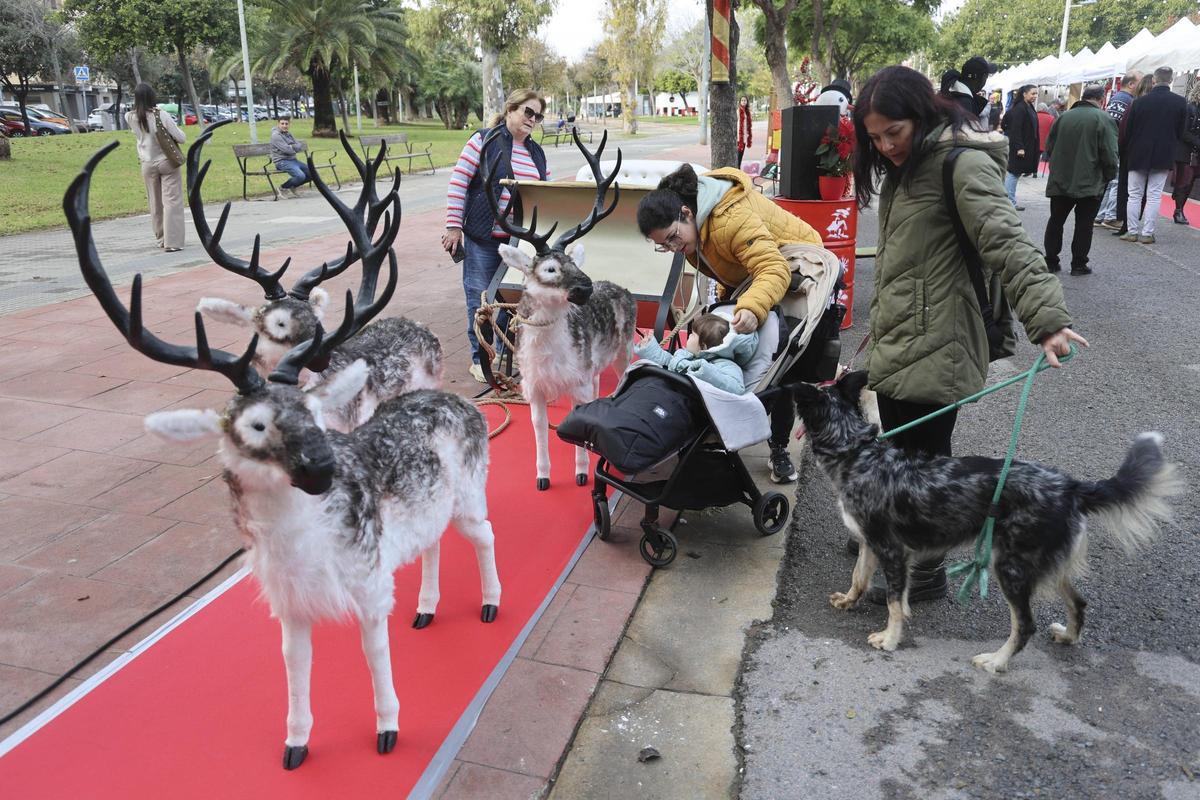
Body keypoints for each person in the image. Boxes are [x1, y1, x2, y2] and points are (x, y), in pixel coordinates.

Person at [850, 65, 1086, 603]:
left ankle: (923, 571)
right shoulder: (908, 166)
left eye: (895, 132)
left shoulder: (961, 163)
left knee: (924, 464)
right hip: (901, 336)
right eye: (876, 137)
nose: (886, 145)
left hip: (940, 340)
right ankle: (891, 540)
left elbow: (1007, 242)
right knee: (902, 459)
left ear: (922, 114)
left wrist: (1048, 322)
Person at [635, 163, 825, 484]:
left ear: (686, 212)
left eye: (672, 238)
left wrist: (751, 307)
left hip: (800, 269)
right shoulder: (692, 230)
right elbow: (729, 267)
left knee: (779, 366)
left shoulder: (728, 220)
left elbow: (773, 268)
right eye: (663, 246)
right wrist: (728, 304)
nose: (672, 248)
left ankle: (778, 447)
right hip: (759, 276)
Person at [442, 89, 549, 383]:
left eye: (538, 116)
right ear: (511, 109)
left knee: (510, 298)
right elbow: (459, 181)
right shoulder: (484, 140)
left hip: (518, 242)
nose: (533, 120)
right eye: (528, 112)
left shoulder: (536, 152)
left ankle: (501, 350)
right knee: (481, 299)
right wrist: (453, 226)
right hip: (484, 238)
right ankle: (480, 359)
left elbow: (545, 192)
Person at [1043, 85, 1119, 275]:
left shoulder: (1063, 118)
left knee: (1056, 221)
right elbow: (1109, 153)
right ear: (1101, 100)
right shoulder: (1103, 119)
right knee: (1084, 225)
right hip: (1090, 181)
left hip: (1061, 179)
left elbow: (1049, 147)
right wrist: (1109, 175)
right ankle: (1078, 264)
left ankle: (1051, 260)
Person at [1120, 67, 1189, 245]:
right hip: (1164, 154)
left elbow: (1128, 130)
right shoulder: (1181, 102)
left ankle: (1132, 231)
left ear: (1154, 81)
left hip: (1138, 153)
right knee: (1154, 195)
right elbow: (1181, 131)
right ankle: (1148, 233)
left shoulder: (1138, 102)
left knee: (1134, 194)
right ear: (1171, 80)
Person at [633, 313, 758, 395]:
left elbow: (736, 388)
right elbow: (669, 362)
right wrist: (650, 349)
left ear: (703, 346)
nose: (689, 336)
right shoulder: (689, 355)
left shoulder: (727, 365)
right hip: (666, 391)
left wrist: (706, 371)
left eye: (693, 334)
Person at [125, 83, 186, 252]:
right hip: (166, 161)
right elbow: (181, 138)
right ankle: (172, 242)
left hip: (147, 163)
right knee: (172, 201)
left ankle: (161, 238)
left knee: (155, 202)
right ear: (152, 97)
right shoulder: (161, 115)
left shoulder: (129, 117)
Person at [1094, 72, 1141, 229]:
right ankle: (1110, 215)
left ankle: (1101, 215)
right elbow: (1116, 126)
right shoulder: (1125, 100)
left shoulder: (1117, 98)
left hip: (1112, 145)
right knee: (1115, 182)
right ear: (1131, 84)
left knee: (1110, 182)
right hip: (1117, 147)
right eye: (1139, 82)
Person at [1001, 84, 1040, 210]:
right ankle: (1009, 202)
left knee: (1015, 173)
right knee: (1013, 173)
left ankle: (1009, 201)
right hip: (1020, 146)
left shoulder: (1028, 107)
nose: (1035, 96)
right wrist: (1019, 147)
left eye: (1036, 94)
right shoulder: (1020, 108)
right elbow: (1015, 129)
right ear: (1024, 94)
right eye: (1032, 93)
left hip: (1026, 145)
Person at [1169, 82, 1199, 226]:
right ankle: (1178, 210)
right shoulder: (1189, 108)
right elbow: (1183, 131)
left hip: (1196, 152)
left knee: (1189, 182)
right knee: (1185, 182)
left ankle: (1179, 208)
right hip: (1186, 151)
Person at [270, 115, 309, 198]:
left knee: (312, 173)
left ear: (289, 124)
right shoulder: (276, 135)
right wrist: (292, 147)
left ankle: (293, 186)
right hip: (281, 161)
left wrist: (292, 147)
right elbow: (287, 150)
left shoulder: (288, 134)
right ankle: (283, 188)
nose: (284, 126)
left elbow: (299, 146)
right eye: (282, 123)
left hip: (293, 160)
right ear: (278, 124)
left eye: (286, 124)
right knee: (300, 176)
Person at [1036, 102, 1055, 176]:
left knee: (1034, 155)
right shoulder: (1051, 118)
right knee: (1038, 155)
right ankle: (1035, 171)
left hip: (1033, 140)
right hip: (1044, 141)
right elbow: (1052, 131)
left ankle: (1032, 170)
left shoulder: (1034, 115)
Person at [737, 96, 753, 168]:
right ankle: (737, 168)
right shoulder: (738, 111)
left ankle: (738, 167)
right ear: (740, 102)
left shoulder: (747, 112)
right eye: (742, 100)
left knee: (741, 154)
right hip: (738, 136)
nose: (743, 101)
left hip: (744, 137)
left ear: (747, 102)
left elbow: (748, 125)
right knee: (738, 154)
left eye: (745, 100)